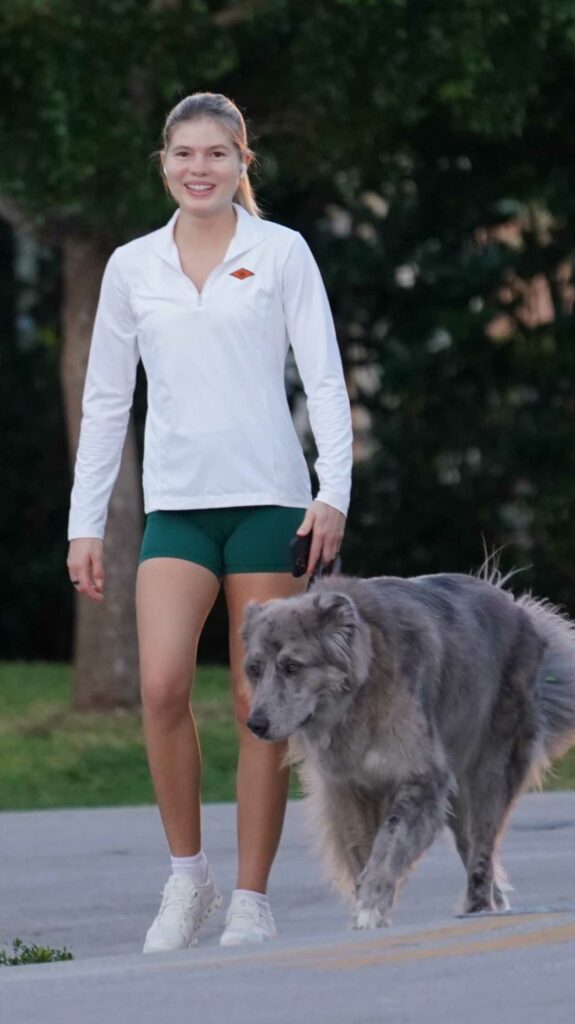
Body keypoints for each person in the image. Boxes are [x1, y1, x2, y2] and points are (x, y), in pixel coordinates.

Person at [66, 92, 353, 952]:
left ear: (241, 164)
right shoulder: (131, 266)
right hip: (176, 511)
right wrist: (86, 522)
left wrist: (330, 491)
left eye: (217, 155)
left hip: (269, 501)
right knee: (160, 686)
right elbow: (107, 399)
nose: (200, 168)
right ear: (165, 163)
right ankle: (186, 879)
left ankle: (251, 899)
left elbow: (326, 378)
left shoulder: (281, 253)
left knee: (253, 697)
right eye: (185, 154)